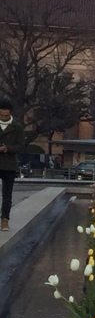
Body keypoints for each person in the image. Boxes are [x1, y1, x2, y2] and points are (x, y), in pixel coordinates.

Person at [0, 99, 26, 232]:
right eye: (1, 115)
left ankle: (5, 220)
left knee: (7, 194)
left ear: (10, 113)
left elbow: (21, 146)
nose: (4, 118)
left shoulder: (17, 127)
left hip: (9, 164)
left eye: (6, 115)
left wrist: (7, 148)